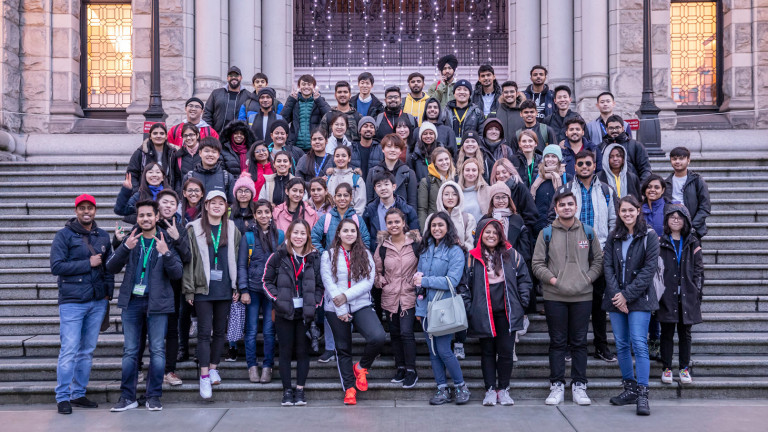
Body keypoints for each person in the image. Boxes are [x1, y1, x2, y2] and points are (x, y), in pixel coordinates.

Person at [107, 200, 183, 412]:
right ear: (137, 218)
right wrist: (124, 248)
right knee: (130, 351)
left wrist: (166, 252)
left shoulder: (165, 239)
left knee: (158, 351)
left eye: (149, 215)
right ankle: (127, 397)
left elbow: (177, 273)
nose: (145, 219)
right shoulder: (131, 240)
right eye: (141, 216)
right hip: (132, 302)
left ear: (157, 217)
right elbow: (111, 267)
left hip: (157, 303)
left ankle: (154, 396)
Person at [532, 188, 603, 406]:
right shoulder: (546, 234)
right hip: (555, 296)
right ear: (555, 209)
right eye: (562, 205)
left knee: (580, 342)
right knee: (558, 343)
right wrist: (555, 281)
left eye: (570, 204)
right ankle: (557, 385)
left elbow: (598, 261)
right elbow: (537, 264)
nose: (566, 208)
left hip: (582, 296)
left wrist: (586, 279)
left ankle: (579, 385)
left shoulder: (588, 232)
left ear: (576, 206)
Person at [551, 150, 617, 361]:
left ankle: (600, 345)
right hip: (573, 254)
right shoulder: (566, 189)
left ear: (594, 164)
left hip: (600, 253)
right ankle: (571, 345)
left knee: (598, 304)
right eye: (580, 164)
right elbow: (556, 219)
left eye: (588, 163)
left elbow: (614, 221)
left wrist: (607, 248)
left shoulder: (606, 190)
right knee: (572, 301)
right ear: (575, 166)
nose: (585, 167)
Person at [51, 194, 114, 414]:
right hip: (72, 302)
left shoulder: (103, 236)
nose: (86, 212)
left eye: (90, 208)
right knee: (69, 350)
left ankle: (78, 393)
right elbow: (56, 266)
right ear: (76, 211)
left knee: (87, 351)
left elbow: (108, 269)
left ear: (95, 210)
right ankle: (62, 396)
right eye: (82, 208)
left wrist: (108, 296)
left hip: (97, 302)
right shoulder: (64, 236)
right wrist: (87, 262)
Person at [461, 219, 531, 406]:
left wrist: (522, 303)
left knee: (506, 352)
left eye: (495, 232)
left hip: (507, 312)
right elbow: (464, 286)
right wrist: (470, 308)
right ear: (481, 234)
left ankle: (504, 389)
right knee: (488, 352)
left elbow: (525, 279)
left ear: (500, 235)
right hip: (484, 313)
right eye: (487, 232)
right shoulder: (472, 257)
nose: (491, 235)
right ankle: (490, 389)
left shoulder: (512, 254)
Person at [603, 196, 660, 416]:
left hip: (640, 298)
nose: (626, 214)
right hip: (616, 297)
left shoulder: (650, 235)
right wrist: (618, 295)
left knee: (639, 342)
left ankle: (643, 394)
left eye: (631, 210)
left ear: (638, 210)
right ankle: (630, 388)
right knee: (621, 344)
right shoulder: (613, 236)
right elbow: (607, 267)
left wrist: (626, 296)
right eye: (623, 211)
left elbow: (649, 270)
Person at [182, 191, 242, 400]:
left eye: (221, 203)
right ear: (205, 205)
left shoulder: (232, 228)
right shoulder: (194, 228)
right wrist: (189, 288)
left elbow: (235, 258)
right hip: (202, 288)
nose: (217, 206)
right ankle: (204, 376)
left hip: (225, 288)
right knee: (204, 333)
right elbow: (189, 262)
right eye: (212, 203)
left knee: (220, 332)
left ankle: (214, 367)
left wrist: (236, 287)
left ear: (226, 207)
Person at [321, 218, 385, 405]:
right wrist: (340, 307)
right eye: (345, 230)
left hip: (360, 304)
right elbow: (328, 283)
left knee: (378, 337)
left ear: (357, 234)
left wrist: (346, 297)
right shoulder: (329, 255)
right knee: (343, 348)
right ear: (339, 233)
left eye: (353, 231)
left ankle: (362, 366)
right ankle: (349, 388)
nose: (349, 234)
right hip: (334, 308)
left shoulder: (365, 254)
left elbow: (368, 282)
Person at [263, 219, 323, 406]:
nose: (299, 237)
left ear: (307, 237)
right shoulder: (278, 256)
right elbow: (266, 281)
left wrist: (315, 303)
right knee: (286, 351)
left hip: (305, 313)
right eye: (295, 233)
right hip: (284, 312)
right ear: (289, 234)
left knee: (303, 351)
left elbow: (321, 285)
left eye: (302, 233)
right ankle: (287, 391)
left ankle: (300, 390)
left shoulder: (314, 257)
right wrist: (277, 299)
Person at [415, 212, 470, 405]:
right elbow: (419, 282)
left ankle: (461, 386)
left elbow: (452, 281)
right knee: (433, 351)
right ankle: (442, 389)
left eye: (440, 225)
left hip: (444, 306)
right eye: (433, 225)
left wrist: (425, 280)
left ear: (448, 227)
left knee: (444, 349)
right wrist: (419, 309)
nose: (436, 229)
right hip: (426, 307)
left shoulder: (455, 251)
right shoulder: (425, 249)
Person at [374, 208, 421, 388]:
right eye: (390, 222)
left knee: (406, 333)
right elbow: (376, 272)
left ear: (403, 223)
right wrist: (380, 281)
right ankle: (400, 367)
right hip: (390, 295)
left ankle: (411, 370)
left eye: (397, 222)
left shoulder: (415, 244)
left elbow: (423, 266)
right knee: (394, 334)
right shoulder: (382, 247)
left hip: (409, 295)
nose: (393, 225)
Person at [237, 200, 283, 384]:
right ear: (254, 215)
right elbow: (242, 265)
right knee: (251, 331)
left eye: (267, 212)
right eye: (260, 212)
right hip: (253, 291)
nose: (264, 215)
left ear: (271, 214)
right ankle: (252, 366)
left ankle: (267, 366)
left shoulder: (279, 236)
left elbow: (283, 264)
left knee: (269, 330)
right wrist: (243, 289)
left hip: (271, 293)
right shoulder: (247, 237)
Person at [658, 203, 703, 385]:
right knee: (667, 333)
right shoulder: (661, 241)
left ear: (685, 221)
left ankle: (684, 368)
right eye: (672, 217)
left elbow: (698, 269)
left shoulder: (692, 242)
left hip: (687, 295)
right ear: (667, 220)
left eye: (679, 217)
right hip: (667, 295)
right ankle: (666, 368)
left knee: (685, 334)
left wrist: (696, 291)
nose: (675, 220)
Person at [363, 171, 420, 253]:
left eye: (386, 184)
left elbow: (414, 236)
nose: (383, 188)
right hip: (377, 252)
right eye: (379, 185)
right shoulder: (369, 210)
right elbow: (365, 235)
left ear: (394, 187)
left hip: (402, 253)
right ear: (375, 189)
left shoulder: (407, 210)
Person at [664, 146, 711, 239]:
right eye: (674, 159)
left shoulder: (697, 180)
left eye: (681, 158)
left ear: (688, 160)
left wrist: (692, 226)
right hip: (671, 228)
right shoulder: (666, 182)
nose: (677, 161)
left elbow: (705, 207)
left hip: (692, 229)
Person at [312, 182, 371, 253]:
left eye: (346, 195)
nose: (342, 198)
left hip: (353, 261)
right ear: (334, 198)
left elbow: (366, 241)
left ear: (350, 198)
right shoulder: (326, 219)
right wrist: (325, 255)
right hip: (331, 262)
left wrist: (357, 256)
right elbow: (313, 238)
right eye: (339, 195)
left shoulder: (357, 219)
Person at [366, 134, 419, 208]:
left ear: (401, 151)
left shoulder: (409, 173)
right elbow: (369, 201)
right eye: (389, 146)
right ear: (383, 149)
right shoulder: (373, 172)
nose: (392, 150)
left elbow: (412, 203)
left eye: (396, 147)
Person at [281, 74, 332, 151]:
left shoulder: (319, 101)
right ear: (299, 86)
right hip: (295, 146)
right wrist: (291, 100)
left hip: (314, 146)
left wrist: (319, 100)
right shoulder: (294, 102)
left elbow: (329, 117)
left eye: (309, 84)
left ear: (314, 87)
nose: (306, 87)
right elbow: (283, 119)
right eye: (303, 84)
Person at [181, 137, 236, 204]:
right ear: (200, 153)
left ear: (218, 155)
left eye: (214, 152)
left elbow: (231, 204)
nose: (210, 154)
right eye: (207, 151)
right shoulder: (189, 177)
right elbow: (184, 203)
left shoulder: (227, 177)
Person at [530, 145, 570, 235]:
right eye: (547, 156)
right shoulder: (537, 177)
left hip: (560, 226)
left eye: (553, 156)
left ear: (559, 159)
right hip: (538, 226)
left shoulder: (566, 177)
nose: (550, 159)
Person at [600, 114, 652, 182]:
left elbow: (646, 170)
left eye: (617, 127)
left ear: (623, 128)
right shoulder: (600, 147)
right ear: (606, 129)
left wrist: (640, 188)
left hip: (632, 188)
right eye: (611, 128)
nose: (614, 130)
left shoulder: (635, 146)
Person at [127, 122, 177, 192]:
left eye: (162, 133)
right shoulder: (141, 152)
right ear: (150, 136)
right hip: (145, 193)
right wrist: (137, 191)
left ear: (166, 136)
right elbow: (131, 173)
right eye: (155, 133)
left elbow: (178, 176)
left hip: (167, 194)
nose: (158, 136)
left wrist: (175, 194)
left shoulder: (172, 153)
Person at [203, 65, 252, 134]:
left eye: (236, 75)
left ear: (241, 78)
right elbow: (207, 113)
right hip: (217, 135)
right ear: (227, 78)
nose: (233, 77)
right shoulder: (216, 93)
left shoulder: (248, 96)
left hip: (238, 137)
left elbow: (251, 117)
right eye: (231, 75)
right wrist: (209, 131)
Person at [417, 147, 457, 228]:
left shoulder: (456, 179)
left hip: (454, 225)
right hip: (435, 226)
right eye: (440, 160)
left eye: (446, 159)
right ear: (434, 163)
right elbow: (422, 209)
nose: (444, 162)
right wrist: (424, 230)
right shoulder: (426, 182)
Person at [326, 146, 367, 214]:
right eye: (337, 156)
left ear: (349, 158)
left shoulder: (356, 179)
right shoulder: (328, 179)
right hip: (331, 218)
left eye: (344, 156)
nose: (340, 158)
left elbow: (360, 205)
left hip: (351, 219)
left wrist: (353, 220)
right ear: (334, 158)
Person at [457, 157, 490, 223]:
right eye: (467, 170)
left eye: (474, 170)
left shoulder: (487, 190)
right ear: (463, 172)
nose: (471, 173)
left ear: (478, 172)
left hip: (481, 230)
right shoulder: (457, 191)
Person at [172, 123, 203, 190]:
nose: (188, 138)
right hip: (185, 194)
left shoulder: (204, 152)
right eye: (185, 136)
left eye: (191, 135)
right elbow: (178, 178)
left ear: (197, 135)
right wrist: (179, 193)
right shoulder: (179, 155)